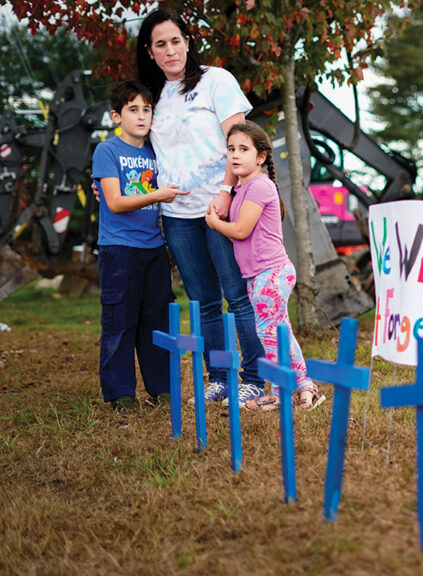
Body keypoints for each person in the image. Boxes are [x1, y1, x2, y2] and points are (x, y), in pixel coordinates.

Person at [135, 8, 267, 407]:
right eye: (161, 44)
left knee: (238, 294)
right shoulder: (152, 96)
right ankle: (220, 377)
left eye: (176, 40)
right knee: (203, 300)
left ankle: (254, 378)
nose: (170, 50)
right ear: (150, 51)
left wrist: (227, 191)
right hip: (177, 215)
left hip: (220, 207)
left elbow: (241, 138)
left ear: (188, 42)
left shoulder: (215, 81)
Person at [205, 121, 326, 411]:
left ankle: (289, 389)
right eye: (231, 149)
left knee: (271, 334)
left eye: (243, 149)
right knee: (276, 332)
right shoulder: (245, 187)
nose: (235, 155)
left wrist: (214, 223)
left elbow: (241, 230)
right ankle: (299, 388)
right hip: (260, 274)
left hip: (270, 273)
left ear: (260, 157)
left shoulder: (259, 186)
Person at [92, 80, 188, 412]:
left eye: (146, 109)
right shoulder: (108, 150)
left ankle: (161, 388)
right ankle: (120, 393)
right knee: (121, 320)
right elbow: (116, 202)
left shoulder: (156, 153)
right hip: (119, 249)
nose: (142, 116)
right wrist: (158, 195)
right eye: (133, 109)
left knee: (156, 320)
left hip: (154, 249)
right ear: (116, 115)